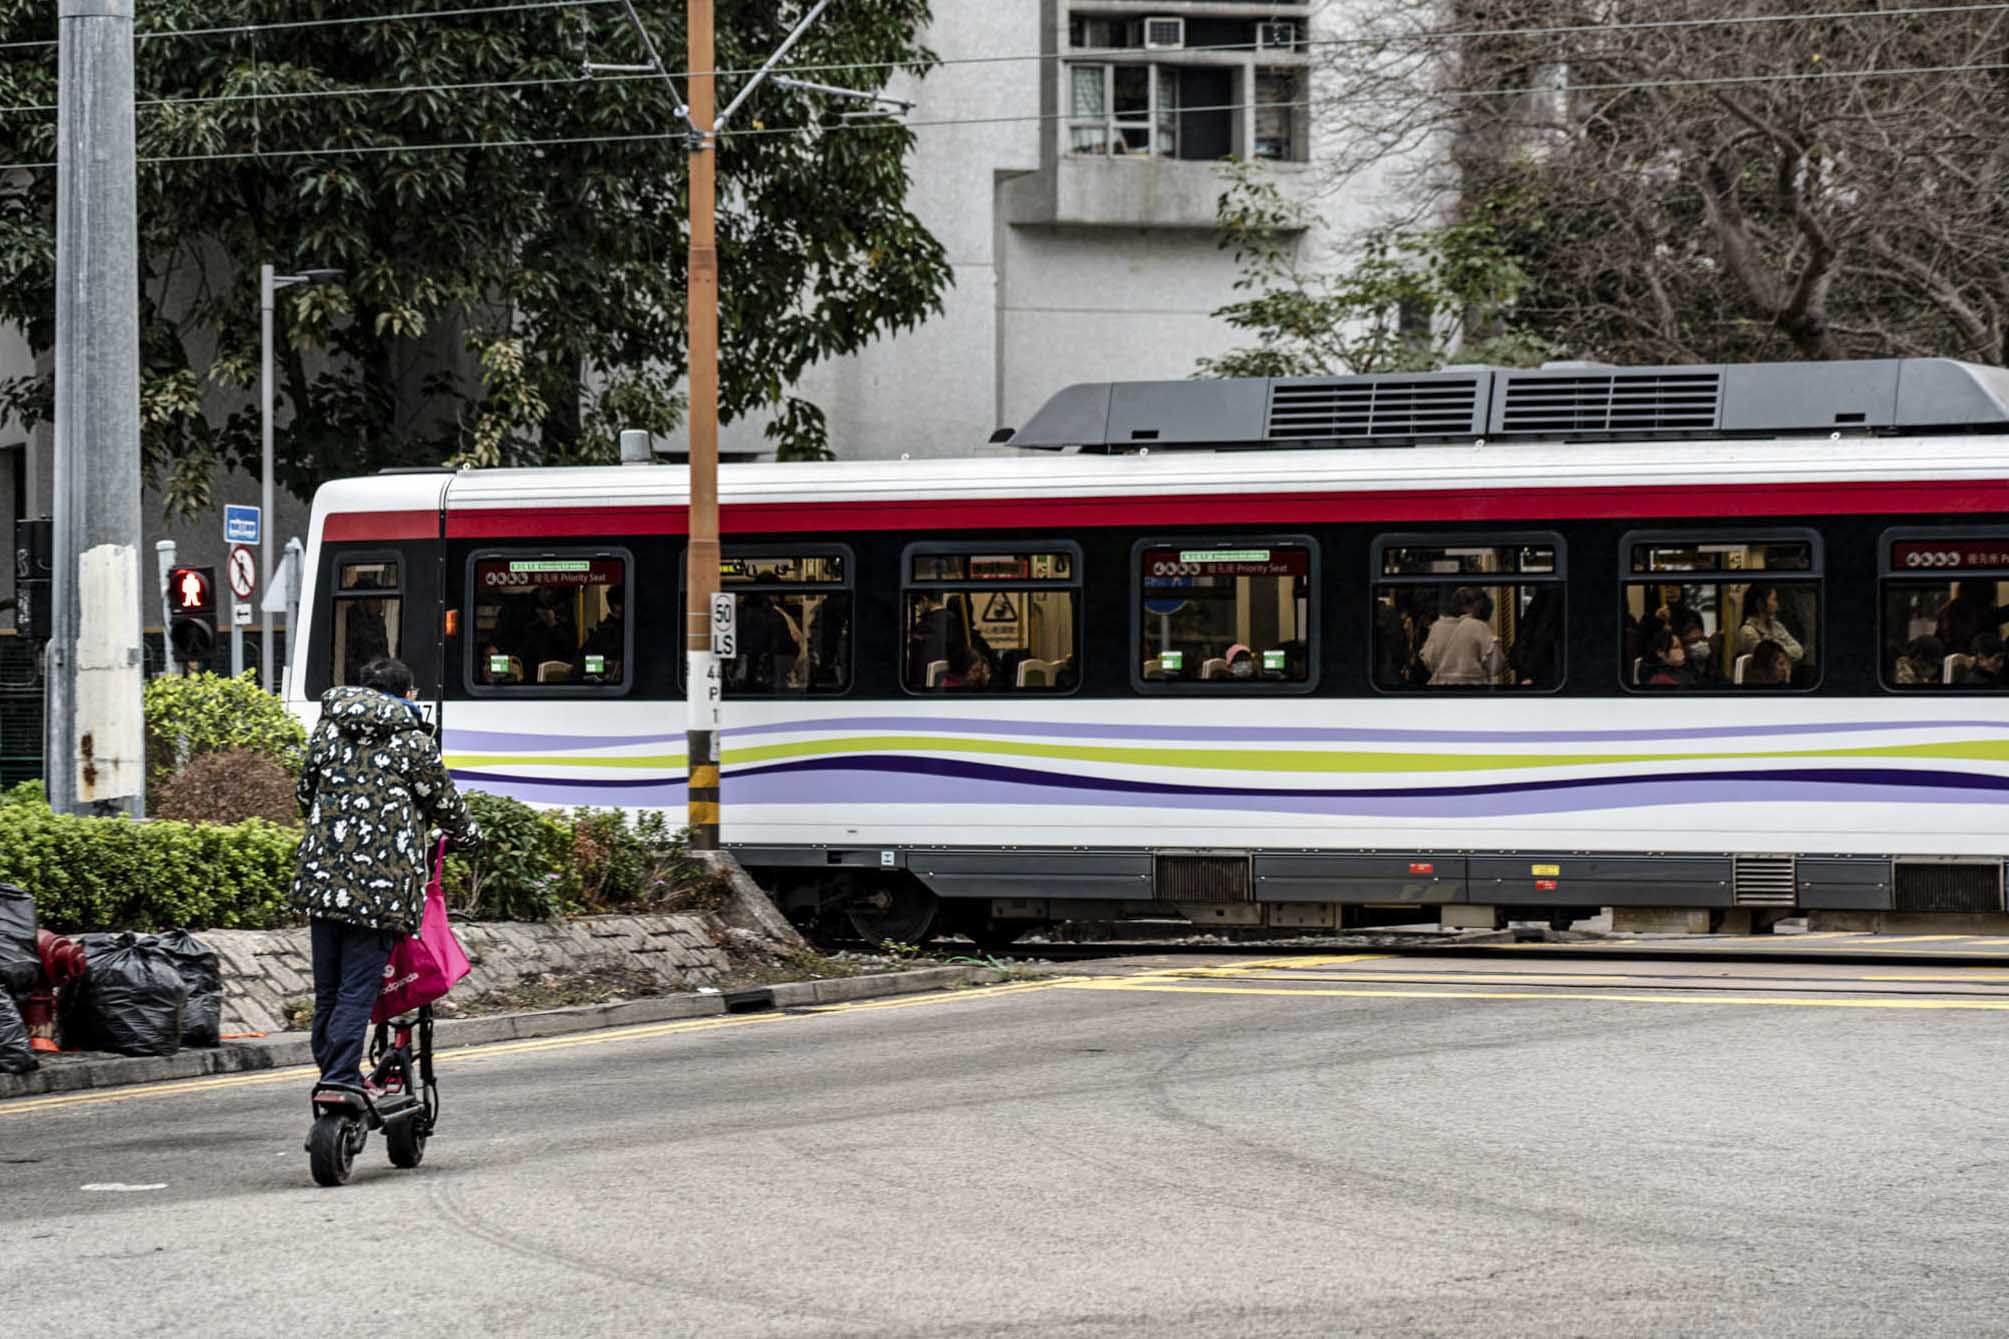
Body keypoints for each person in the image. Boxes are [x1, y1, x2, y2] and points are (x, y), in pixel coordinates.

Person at [292, 657, 477, 1099]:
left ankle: (333, 1076)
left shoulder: (328, 732)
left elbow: (304, 796)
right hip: (380, 893)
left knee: (329, 992)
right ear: (408, 694)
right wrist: (468, 835)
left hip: (321, 883)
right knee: (357, 990)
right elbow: (445, 805)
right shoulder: (413, 742)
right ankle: (340, 1078)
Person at [1419, 586, 1502, 686]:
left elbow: (1428, 661)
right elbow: (1495, 666)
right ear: (1478, 605)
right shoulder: (1478, 626)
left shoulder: (1437, 627)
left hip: (1440, 691)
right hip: (1472, 691)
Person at [1737, 584, 1804, 663]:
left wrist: (1778, 648)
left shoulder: (1776, 626)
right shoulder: (1748, 631)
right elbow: (1768, 657)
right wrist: (1782, 647)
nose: (1777, 604)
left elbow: (1798, 651)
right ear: (1759, 603)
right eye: (1774, 599)